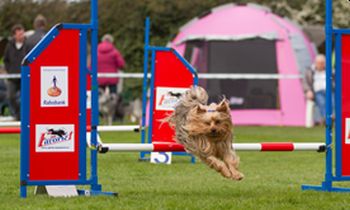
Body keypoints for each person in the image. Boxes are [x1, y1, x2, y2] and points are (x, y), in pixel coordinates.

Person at [3, 24, 28, 120]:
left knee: (26, 98)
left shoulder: (28, 44)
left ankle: (26, 116)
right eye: (19, 34)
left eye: (22, 33)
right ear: (14, 35)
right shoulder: (9, 46)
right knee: (10, 96)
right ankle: (18, 115)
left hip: (25, 76)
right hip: (13, 77)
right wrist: (9, 70)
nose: (22, 35)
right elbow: (6, 60)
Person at [303, 54, 327, 124]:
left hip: (329, 91)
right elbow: (305, 83)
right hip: (316, 92)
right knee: (322, 101)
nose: (320, 65)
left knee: (333, 101)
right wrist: (308, 91)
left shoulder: (330, 71)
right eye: (319, 63)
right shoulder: (310, 71)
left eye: (322, 63)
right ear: (315, 63)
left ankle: (332, 118)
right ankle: (327, 117)